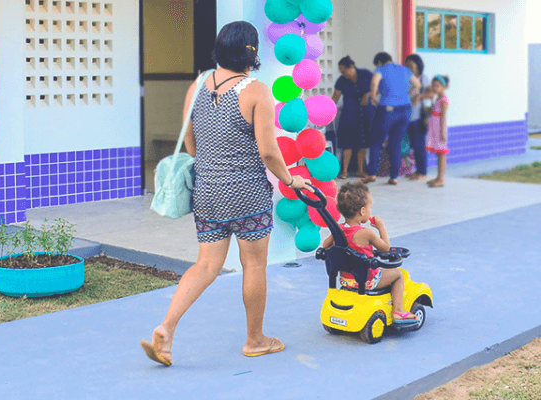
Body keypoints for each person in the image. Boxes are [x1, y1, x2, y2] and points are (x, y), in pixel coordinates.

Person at [140, 21, 313, 367]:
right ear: (251, 52)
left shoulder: (199, 84)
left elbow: (190, 142)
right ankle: (255, 340)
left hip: (207, 193)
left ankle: (166, 328)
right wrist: (290, 180)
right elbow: (268, 151)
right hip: (247, 193)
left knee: (206, 265)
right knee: (254, 265)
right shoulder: (256, 91)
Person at [322, 182, 417, 323]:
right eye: (369, 208)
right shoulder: (366, 233)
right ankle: (398, 311)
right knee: (398, 274)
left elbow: (325, 246)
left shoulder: (338, 229)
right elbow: (385, 248)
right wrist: (381, 227)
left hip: (346, 280)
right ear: (362, 211)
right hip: (367, 280)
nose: (370, 211)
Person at [362, 52, 421, 185]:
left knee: (376, 141)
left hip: (387, 110)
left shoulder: (381, 69)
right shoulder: (404, 69)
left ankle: (372, 173)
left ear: (379, 62)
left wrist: (373, 96)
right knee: (396, 143)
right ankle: (394, 176)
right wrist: (409, 95)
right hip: (405, 110)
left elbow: (374, 81)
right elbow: (417, 85)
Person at [330, 56, 374, 179]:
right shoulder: (341, 80)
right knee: (347, 142)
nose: (343, 74)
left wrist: (368, 95)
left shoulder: (366, 74)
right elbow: (335, 97)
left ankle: (360, 170)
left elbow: (376, 88)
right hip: (349, 113)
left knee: (362, 142)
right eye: (341, 72)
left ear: (352, 67)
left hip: (365, 113)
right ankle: (344, 170)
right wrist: (326, 110)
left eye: (344, 71)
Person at [404, 54, 432, 182]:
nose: (409, 68)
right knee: (414, 146)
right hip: (407, 118)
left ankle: (423, 172)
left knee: (419, 145)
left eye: (411, 66)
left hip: (418, 118)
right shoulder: (406, 79)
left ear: (418, 67)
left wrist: (419, 96)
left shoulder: (423, 79)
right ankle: (417, 170)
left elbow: (430, 94)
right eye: (407, 65)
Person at [426, 75, 450, 188]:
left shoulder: (444, 100)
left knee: (441, 154)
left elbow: (443, 117)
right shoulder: (437, 99)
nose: (435, 88)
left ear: (444, 87)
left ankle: (441, 178)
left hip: (440, 129)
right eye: (433, 86)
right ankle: (438, 176)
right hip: (435, 129)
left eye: (438, 86)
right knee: (438, 153)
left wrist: (442, 132)